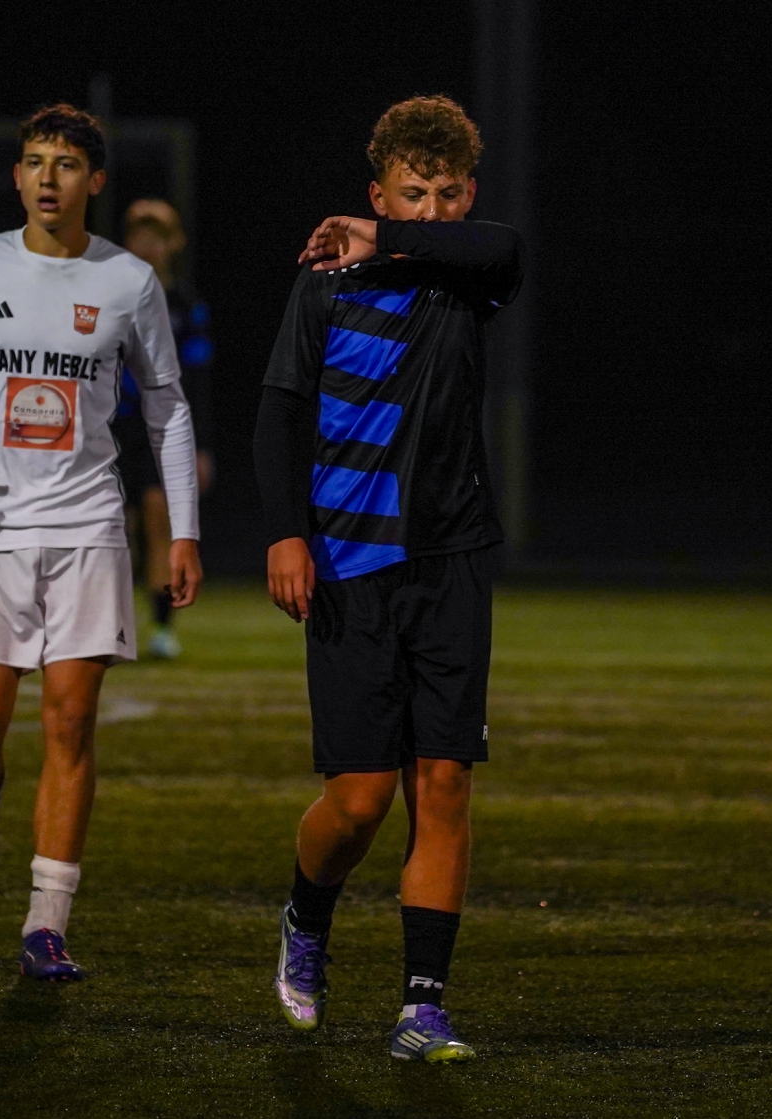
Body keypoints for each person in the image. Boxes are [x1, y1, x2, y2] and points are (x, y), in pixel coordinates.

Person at [0, 103, 202, 981]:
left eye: (65, 164)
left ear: (95, 180)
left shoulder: (129, 281)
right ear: (17, 176)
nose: (47, 178)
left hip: (89, 528)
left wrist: (183, 530)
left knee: (70, 722)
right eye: (34, 162)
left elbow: (168, 407)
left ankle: (47, 924)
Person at [254, 95, 523, 1061]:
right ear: (378, 193)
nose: (433, 209)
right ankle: (306, 916)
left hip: (451, 557)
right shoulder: (327, 282)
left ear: (468, 194)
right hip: (351, 561)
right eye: (414, 193)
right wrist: (286, 537)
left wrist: (393, 236)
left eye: (448, 193)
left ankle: (422, 1006)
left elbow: (505, 249)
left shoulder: (466, 276)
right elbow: (279, 414)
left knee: (442, 783)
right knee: (362, 801)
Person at [113, 199, 215, 659]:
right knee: (117, 527)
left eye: (157, 236)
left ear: (174, 243)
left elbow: (198, 379)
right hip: (115, 428)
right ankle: (113, 623)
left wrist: (201, 446)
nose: (147, 245)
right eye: (140, 235)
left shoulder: (185, 305)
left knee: (159, 520)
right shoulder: (111, 295)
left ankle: (161, 627)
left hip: (164, 430)